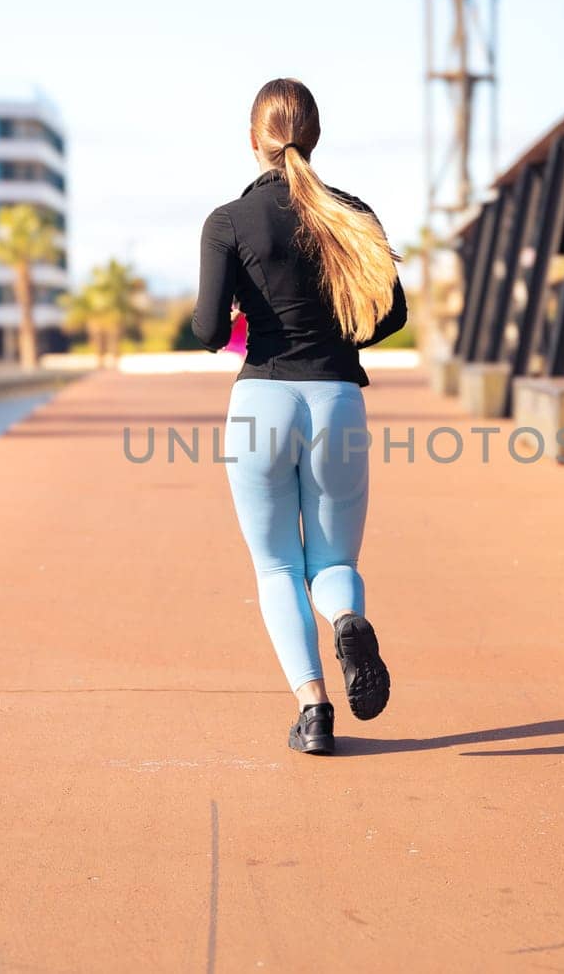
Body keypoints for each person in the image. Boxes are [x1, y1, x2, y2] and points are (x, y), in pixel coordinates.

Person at [194, 78, 407, 756]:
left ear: (252, 139)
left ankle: (313, 711)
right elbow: (394, 314)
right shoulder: (352, 212)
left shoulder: (228, 221)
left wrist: (236, 316)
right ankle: (347, 618)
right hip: (336, 398)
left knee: (276, 566)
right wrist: (338, 338)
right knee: (334, 558)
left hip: (260, 402)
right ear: (314, 135)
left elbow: (205, 329)